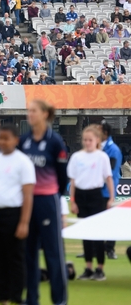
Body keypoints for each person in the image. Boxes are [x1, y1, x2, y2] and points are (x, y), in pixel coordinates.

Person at [0, 125, 35, 305]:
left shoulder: (23, 161)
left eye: (6, 138)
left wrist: (24, 222)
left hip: (13, 214)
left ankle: (17, 297)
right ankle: (1, 296)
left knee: (15, 258)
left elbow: (28, 194)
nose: (2, 142)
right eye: (0, 138)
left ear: (15, 140)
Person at [20, 100, 69, 305]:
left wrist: (53, 197)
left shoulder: (55, 141)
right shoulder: (24, 141)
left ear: (44, 114)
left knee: (53, 254)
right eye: (28, 111)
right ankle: (32, 300)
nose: (29, 114)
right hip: (27, 203)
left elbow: (62, 177)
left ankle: (59, 301)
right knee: (28, 255)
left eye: (33, 111)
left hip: (48, 201)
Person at [68, 125, 114, 281]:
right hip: (81, 196)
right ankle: (88, 268)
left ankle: (100, 268)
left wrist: (111, 199)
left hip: (96, 196)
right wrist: (73, 201)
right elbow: (73, 181)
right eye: (85, 140)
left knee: (98, 233)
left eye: (90, 140)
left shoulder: (102, 157)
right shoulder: (76, 157)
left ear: (97, 141)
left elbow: (109, 178)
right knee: (85, 233)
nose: (87, 143)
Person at [100, 120, 122, 259]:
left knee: (109, 220)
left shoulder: (113, 150)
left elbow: (111, 172)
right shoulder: (97, 147)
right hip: (96, 190)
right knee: (94, 220)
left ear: (105, 133)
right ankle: (94, 249)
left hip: (107, 190)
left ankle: (110, 249)